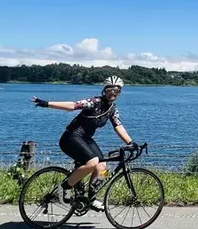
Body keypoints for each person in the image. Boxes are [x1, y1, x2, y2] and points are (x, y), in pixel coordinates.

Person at [31, 76, 135, 211]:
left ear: (120, 93)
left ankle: (92, 198)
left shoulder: (112, 109)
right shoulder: (94, 102)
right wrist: (46, 103)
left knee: (103, 168)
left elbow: (118, 126)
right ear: (104, 90)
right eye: (110, 89)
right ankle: (65, 187)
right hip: (71, 137)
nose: (113, 93)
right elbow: (72, 106)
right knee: (92, 162)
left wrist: (131, 142)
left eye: (117, 90)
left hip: (86, 138)